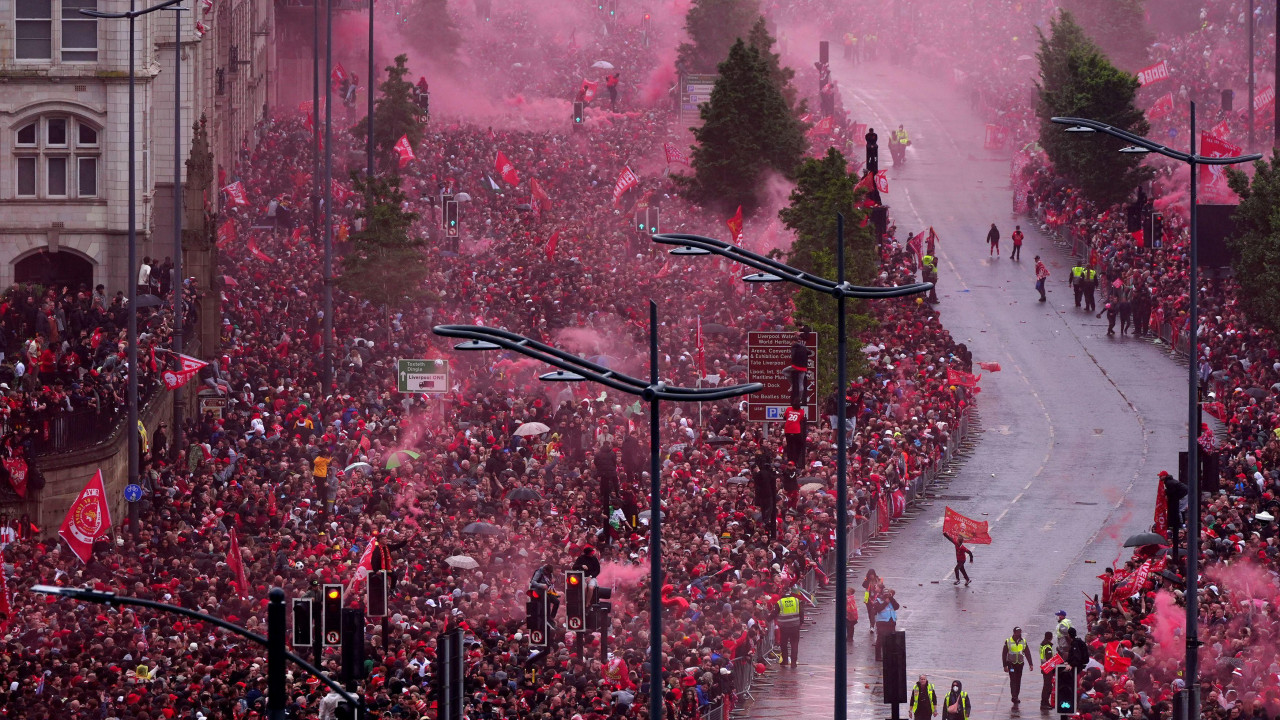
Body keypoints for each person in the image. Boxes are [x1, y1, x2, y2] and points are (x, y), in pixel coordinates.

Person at [1002, 626, 1035, 706]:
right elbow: (1004, 654)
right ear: (1014, 633)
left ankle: (1016, 695)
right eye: (1017, 632)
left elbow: (1027, 653)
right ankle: (1014, 696)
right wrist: (1005, 665)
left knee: (1018, 680)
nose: (1019, 633)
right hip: (1011, 664)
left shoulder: (1023, 641)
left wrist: (1030, 664)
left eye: (1020, 632)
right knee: (1013, 679)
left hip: (1020, 664)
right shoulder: (1008, 641)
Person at [773, 587, 804, 668]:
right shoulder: (796, 600)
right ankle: (793, 663)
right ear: (790, 592)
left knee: (783, 644)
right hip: (795, 626)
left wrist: (766, 619)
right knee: (794, 644)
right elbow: (801, 612)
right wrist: (801, 622)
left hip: (784, 627)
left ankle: (785, 661)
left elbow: (774, 613)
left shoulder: (780, 602)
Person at [788, 331, 810, 409]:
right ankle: (800, 398)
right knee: (801, 384)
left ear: (793, 341)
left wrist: (794, 360)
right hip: (803, 368)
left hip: (796, 367)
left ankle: (791, 384)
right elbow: (809, 352)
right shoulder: (803, 347)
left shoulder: (794, 347)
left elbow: (793, 356)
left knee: (784, 371)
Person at [1039, 631, 1056, 710]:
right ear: (1051, 637)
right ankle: (1044, 703)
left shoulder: (1043, 645)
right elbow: (1050, 660)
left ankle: (1045, 703)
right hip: (1048, 669)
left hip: (1044, 667)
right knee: (1047, 687)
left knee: (1046, 686)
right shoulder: (1048, 647)